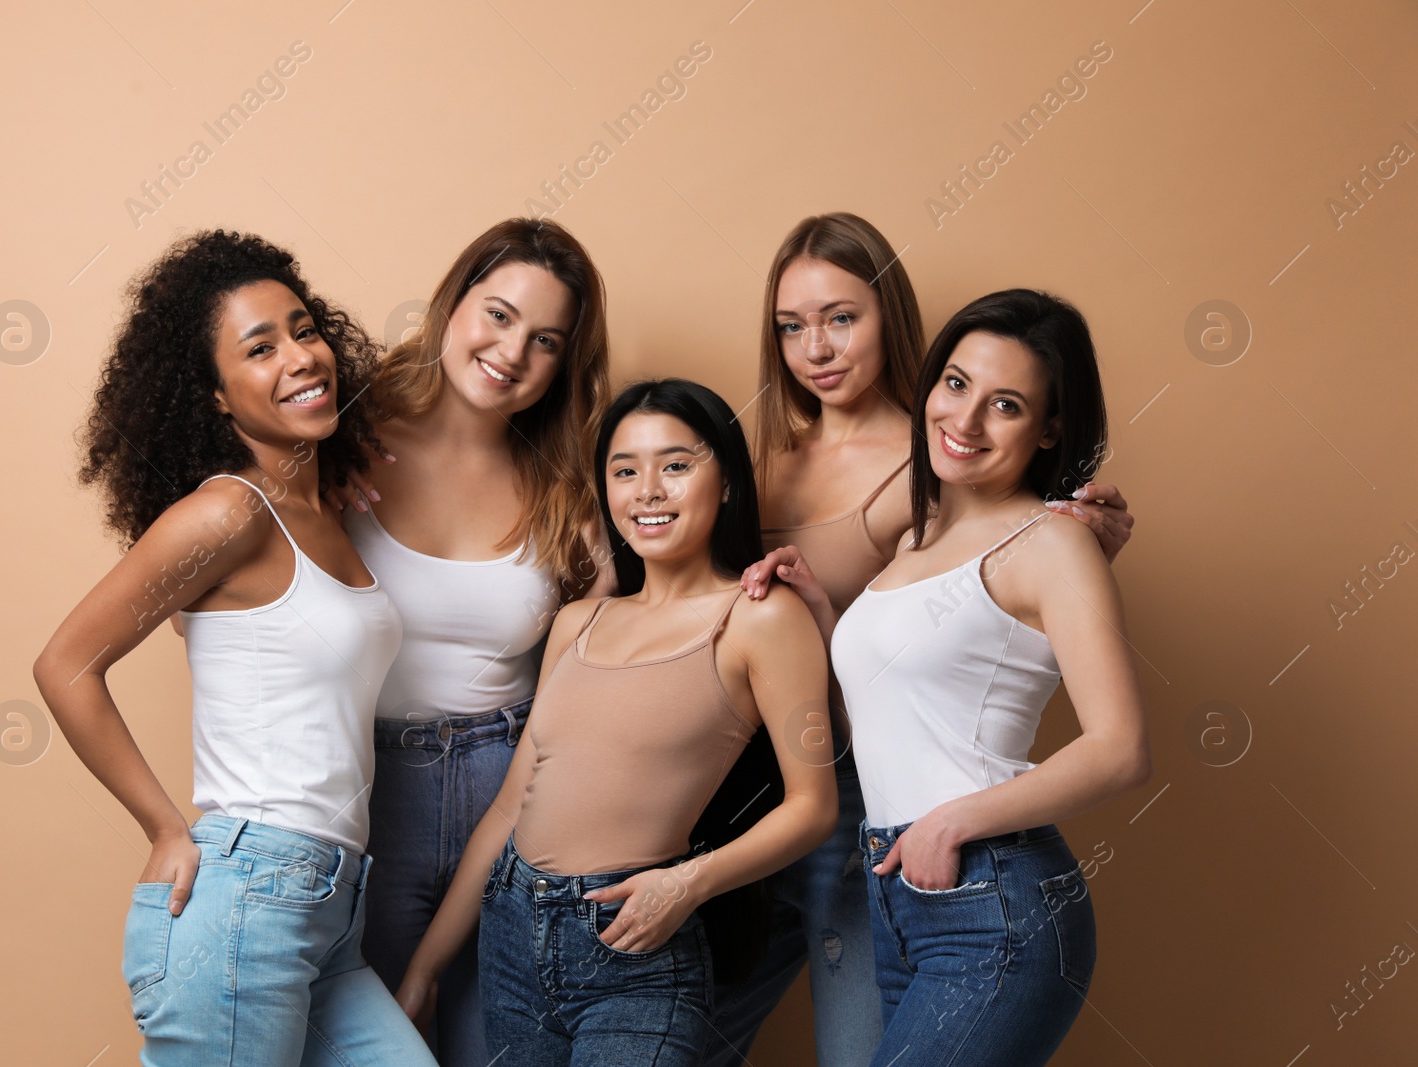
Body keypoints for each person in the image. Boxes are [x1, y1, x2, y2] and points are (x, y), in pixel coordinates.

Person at [719, 213, 1135, 1065]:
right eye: (956, 384)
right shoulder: (920, 535)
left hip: (993, 892)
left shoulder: (1052, 540)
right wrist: (817, 611)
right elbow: (888, 690)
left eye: (1008, 405)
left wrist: (953, 825)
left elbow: (1123, 750)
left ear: (1048, 430)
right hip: (900, 889)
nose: (967, 419)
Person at [33, 232, 436, 1065]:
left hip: (331, 915)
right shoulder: (229, 514)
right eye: (260, 348)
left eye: (304, 328)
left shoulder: (319, 512)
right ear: (215, 396)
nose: (300, 357)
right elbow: (65, 664)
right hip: (248, 896)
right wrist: (164, 827)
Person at [396, 379, 839, 1066]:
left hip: (637, 942)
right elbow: (509, 807)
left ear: (725, 481)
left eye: (677, 465)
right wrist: (426, 968)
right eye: (625, 470)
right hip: (511, 930)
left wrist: (684, 883)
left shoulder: (761, 617)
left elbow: (813, 807)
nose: (648, 490)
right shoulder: (578, 621)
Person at [344, 218, 612, 1067]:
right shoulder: (343, 437)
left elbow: (642, 620)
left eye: (544, 341)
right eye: (496, 314)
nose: (510, 353)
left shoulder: (568, 479)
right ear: (452, 303)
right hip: (370, 790)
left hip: (518, 784)